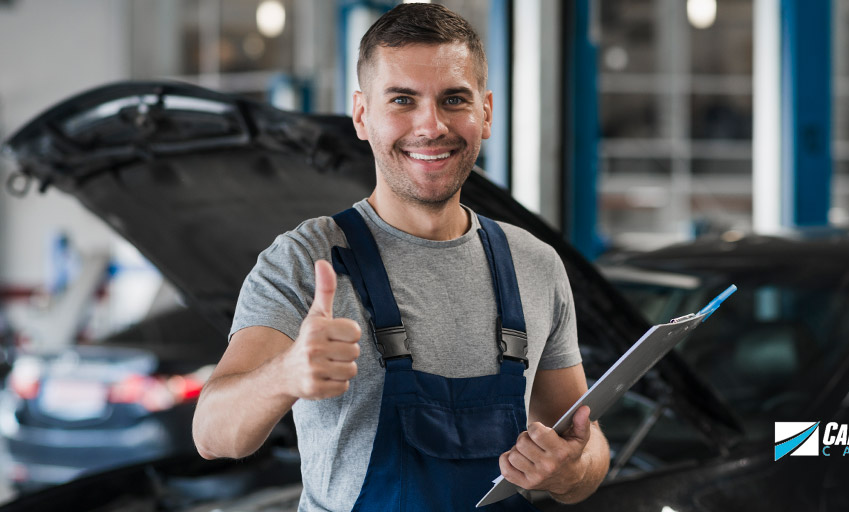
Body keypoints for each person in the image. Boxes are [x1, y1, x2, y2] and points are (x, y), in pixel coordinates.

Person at [192, 3, 609, 511]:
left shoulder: (535, 264)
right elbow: (213, 435)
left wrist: (570, 470)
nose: (431, 125)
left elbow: (584, 439)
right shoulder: (306, 260)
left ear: (486, 112)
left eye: (453, 99)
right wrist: (285, 375)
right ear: (363, 116)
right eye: (403, 100)